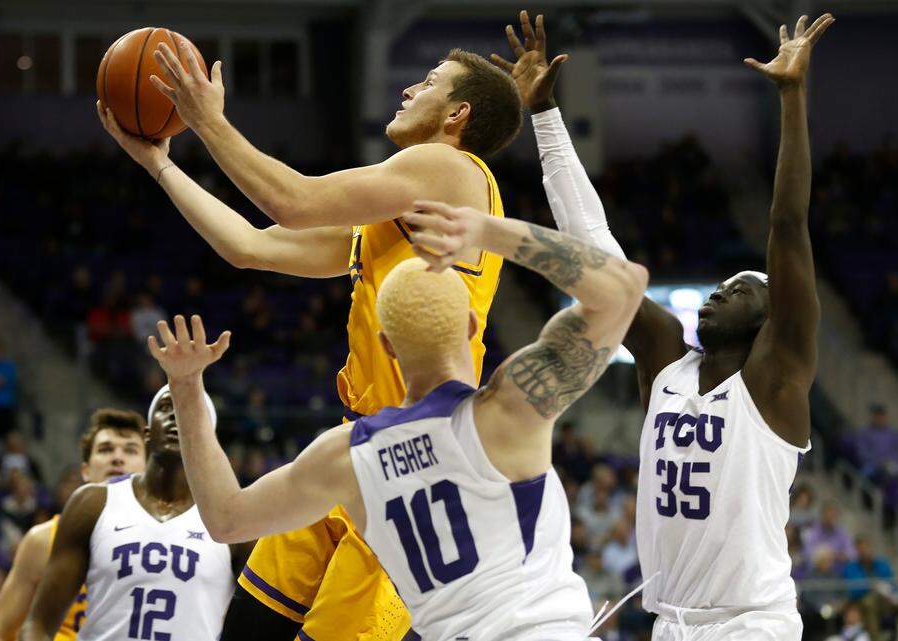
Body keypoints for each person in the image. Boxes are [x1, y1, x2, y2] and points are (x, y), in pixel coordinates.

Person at [98, 41, 522, 641]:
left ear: (457, 116)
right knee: (248, 626)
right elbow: (253, 247)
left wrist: (207, 120)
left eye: (428, 82)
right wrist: (159, 163)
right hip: (359, 447)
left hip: (419, 470)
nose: (409, 90)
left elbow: (294, 202)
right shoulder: (398, 218)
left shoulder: (451, 169)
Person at [149, 202, 647, 639]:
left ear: (386, 345)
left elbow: (225, 518)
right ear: (473, 326)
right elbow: (624, 287)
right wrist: (487, 231)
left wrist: (188, 387)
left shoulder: (346, 454)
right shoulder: (511, 411)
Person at [495, 10, 833, 640]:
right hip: (668, 623)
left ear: (768, 321)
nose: (714, 297)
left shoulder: (776, 379)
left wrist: (791, 97)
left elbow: (787, 227)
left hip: (749, 625)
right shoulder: (665, 362)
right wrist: (544, 118)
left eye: (736, 292)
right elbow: (592, 251)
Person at [19, 394, 234, 641]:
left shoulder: (233, 521)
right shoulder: (92, 503)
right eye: (166, 407)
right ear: (147, 432)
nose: (178, 414)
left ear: (212, 437)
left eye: (193, 408)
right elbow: (38, 624)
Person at [0, 410, 148, 641]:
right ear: (85, 470)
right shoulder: (43, 540)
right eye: (106, 449)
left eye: (130, 450)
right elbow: (1, 634)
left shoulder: (165, 541)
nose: (117, 458)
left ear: (148, 470)